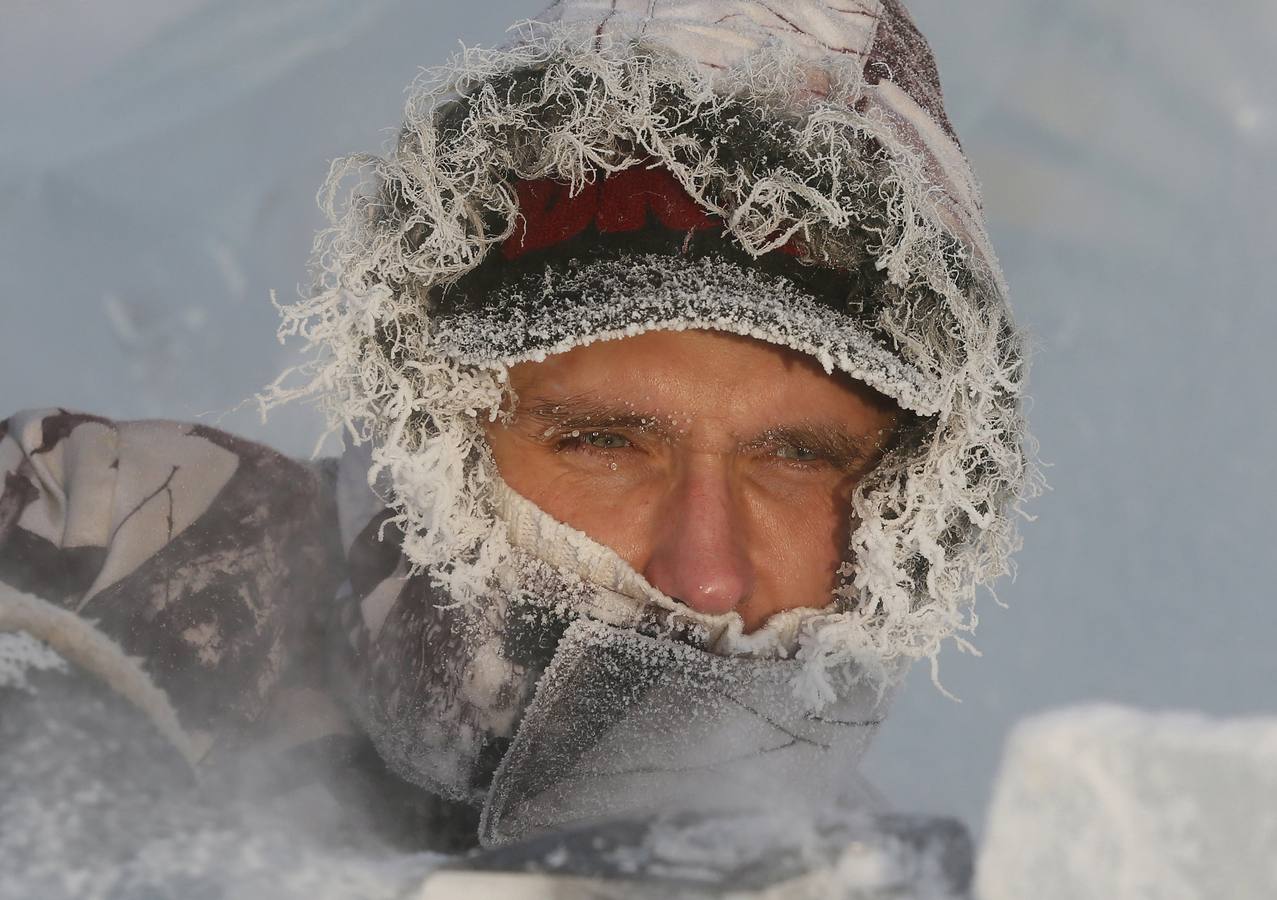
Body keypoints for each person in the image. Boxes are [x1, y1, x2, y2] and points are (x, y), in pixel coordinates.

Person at [0, 0, 1031, 855]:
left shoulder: (839, 866)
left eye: (796, 457)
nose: (704, 569)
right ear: (438, 442)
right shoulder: (104, 546)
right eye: (604, 442)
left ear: (907, 520)